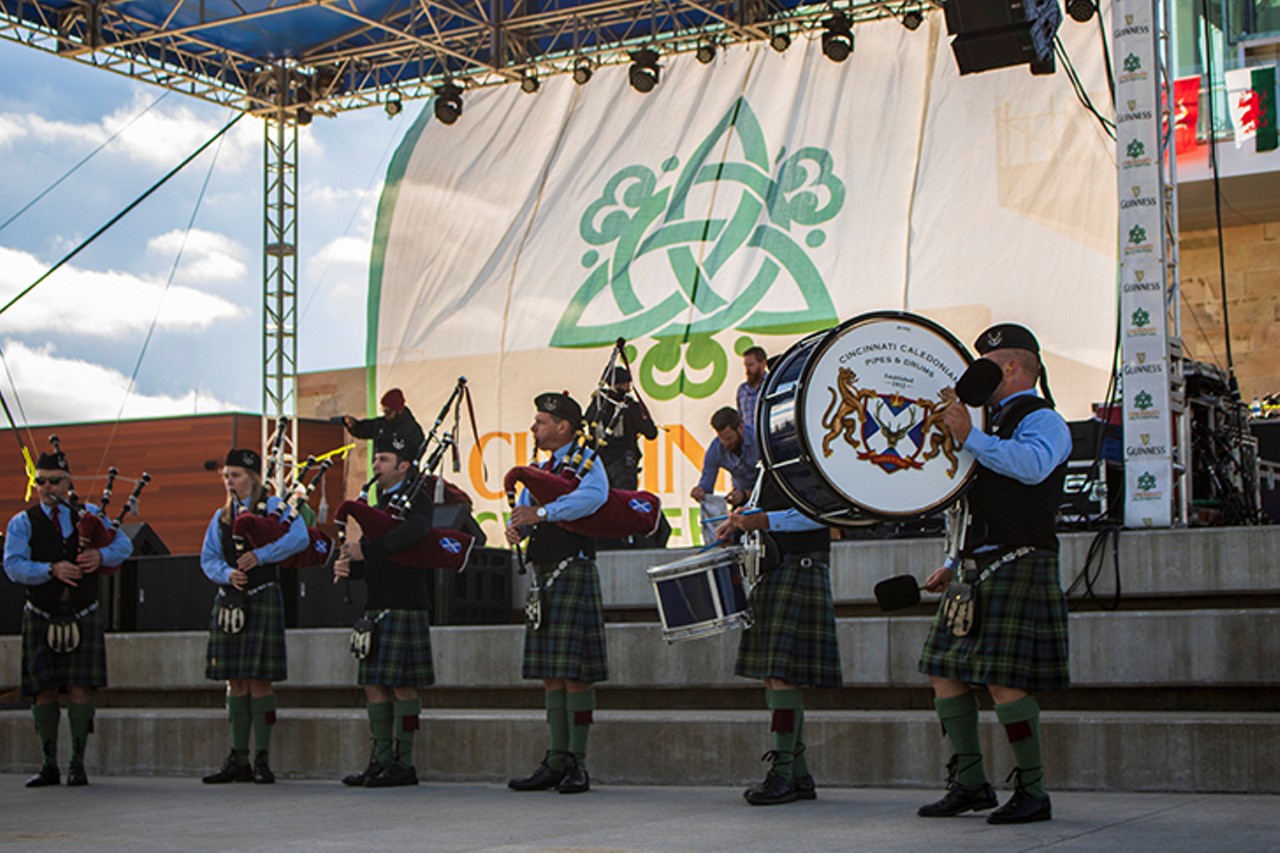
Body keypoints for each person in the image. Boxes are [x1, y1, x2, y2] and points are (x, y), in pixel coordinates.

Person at [916, 323, 1071, 824]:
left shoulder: (1044, 419)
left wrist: (971, 437)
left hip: (1020, 559)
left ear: (1010, 367)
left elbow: (1032, 467)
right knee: (945, 673)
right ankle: (971, 783)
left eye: (987, 365)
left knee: (1005, 681)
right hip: (975, 566)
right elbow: (965, 502)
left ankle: (1033, 791)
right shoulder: (985, 422)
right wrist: (949, 561)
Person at [4, 450, 134, 787]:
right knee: (43, 690)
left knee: (80, 688)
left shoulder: (90, 514)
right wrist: (49, 569)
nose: (47, 487)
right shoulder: (22, 522)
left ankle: (77, 764)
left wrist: (99, 554)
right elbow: (13, 566)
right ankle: (49, 764)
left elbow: (124, 546)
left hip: (82, 610)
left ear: (68, 482)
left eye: (55, 481)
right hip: (42, 612)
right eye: (41, 481)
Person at [505, 392, 608, 795]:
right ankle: (555, 760)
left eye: (541, 421)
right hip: (543, 574)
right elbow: (529, 514)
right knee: (551, 675)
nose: (534, 427)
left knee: (576, 675)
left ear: (563, 426)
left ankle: (577, 765)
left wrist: (543, 513)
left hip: (572, 570)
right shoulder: (538, 468)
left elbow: (594, 498)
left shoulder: (584, 462)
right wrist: (520, 526)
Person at [716, 480, 840, 805]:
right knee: (772, 675)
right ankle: (799, 775)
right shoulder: (770, 464)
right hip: (772, 569)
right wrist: (739, 520)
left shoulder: (807, 459)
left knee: (781, 675)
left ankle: (785, 773)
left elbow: (828, 512)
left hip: (801, 567)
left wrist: (766, 520)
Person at [200, 448, 308, 785]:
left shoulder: (275, 508)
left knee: (260, 679)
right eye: (226, 476)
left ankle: (262, 759)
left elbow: (300, 537)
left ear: (254, 478)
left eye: (235, 475)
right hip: (231, 601)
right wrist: (226, 574)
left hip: (262, 597)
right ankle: (238, 758)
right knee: (235, 680)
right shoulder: (221, 517)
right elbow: (208, 559)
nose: (229, 481)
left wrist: (261, 556)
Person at [334, 433, 435, 788]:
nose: (376, 466)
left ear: (404, 466)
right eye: (376, 460)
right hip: (375, 605)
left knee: (403, 687)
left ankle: (404, 763)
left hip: (406, 603)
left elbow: (415, 533)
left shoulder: (419, 501)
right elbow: (369, 557)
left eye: (385, 460)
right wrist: (350, 565)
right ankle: (381, 760)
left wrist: (367, 551)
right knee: (373, 684)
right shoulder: (376, 506)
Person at [583, 366, 658, 492]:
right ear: (626, 384)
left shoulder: (596, 404)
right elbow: (651, 433)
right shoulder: (629, 406)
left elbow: (586, 423)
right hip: (623, 466)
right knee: (623, 503)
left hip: (597, 464)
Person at [692, 407, 760, 542]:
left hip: (769, 497)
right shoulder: (716, 448)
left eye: (729, 438)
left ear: (740, 428)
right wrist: (699, 491)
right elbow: (707, 482)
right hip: (742, 502)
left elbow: (774, 481)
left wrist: (746, 493)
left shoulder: (758, 439)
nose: (726, 444)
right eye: (722, 439)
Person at [344, 388, 426, 460]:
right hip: (382, 474)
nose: (386, 415)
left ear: (399, 410)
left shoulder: (412, 430)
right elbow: (364, 429)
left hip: (402, 474)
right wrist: (353, 425)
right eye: (384, 411)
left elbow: (417, 452)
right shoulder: (382, 424)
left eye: (389, 412)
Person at [736, 346, 768, 429]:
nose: (747, 370)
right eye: (745, 365)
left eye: (751, 365)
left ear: (763, 364)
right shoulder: (742, 390)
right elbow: (741, 420)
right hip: (752, 440)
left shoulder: (771, 385)